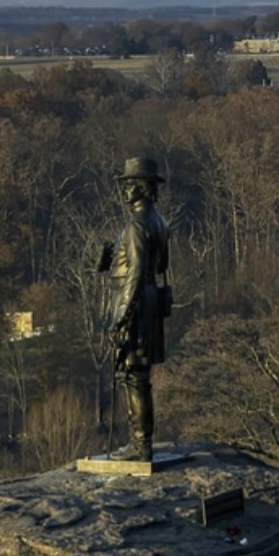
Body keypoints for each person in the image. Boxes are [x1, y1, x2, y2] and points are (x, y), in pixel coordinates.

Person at [107, 157, 170, 462]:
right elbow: (161, 264)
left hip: (136, 305)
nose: (125, 190)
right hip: (150, 300)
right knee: (138, 376)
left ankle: (141, 445)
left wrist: (121, 316)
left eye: (131, 184)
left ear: (144, 188)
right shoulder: (159, 221)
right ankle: (141, 442)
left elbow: (134, 272)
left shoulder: (137, 225)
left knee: (134, 377)